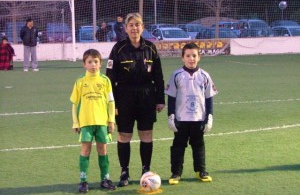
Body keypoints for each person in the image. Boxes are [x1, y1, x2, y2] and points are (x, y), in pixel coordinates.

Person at [106, 12, 165, 187]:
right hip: (124, 97)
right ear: (126, 28)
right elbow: (109, 78)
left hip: (147, 96)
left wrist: (160, 99)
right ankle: (124, 171)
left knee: (146, 133)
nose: (134, 28)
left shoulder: (151, 48)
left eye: (137, 24)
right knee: (124, 135)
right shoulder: (118, 49)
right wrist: (112, 103)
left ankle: (146, 169)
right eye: (131, 25)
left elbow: (159, 76)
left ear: (142, 27)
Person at [165, 42, 218, 185]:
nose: (191, 59)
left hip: (198, 118)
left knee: (199, 145)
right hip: (181, 119)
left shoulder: (205, 76)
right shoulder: (176, 75)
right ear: (183, 58)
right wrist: (171, 116)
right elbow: (171, 97)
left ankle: (201, 171)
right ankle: (176, 173)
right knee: (178, 146)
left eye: (194, 56)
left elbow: (209, 98)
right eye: (188, 56)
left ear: (199, 57)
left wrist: (209, 117)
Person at [70, 49, 117, 193]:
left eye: (96, 62)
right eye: (89, 62)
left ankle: (105, 179)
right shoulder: (80, 82)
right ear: (84, 64)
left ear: (100, 63)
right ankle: (83, 181)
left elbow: (111, 102)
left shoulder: (105, 80)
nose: (93, 65)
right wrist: (75, 122)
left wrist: (111, 120)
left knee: (103, 149)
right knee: (85, 149)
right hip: (86, 122)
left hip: (102, 122)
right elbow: (74, 104)